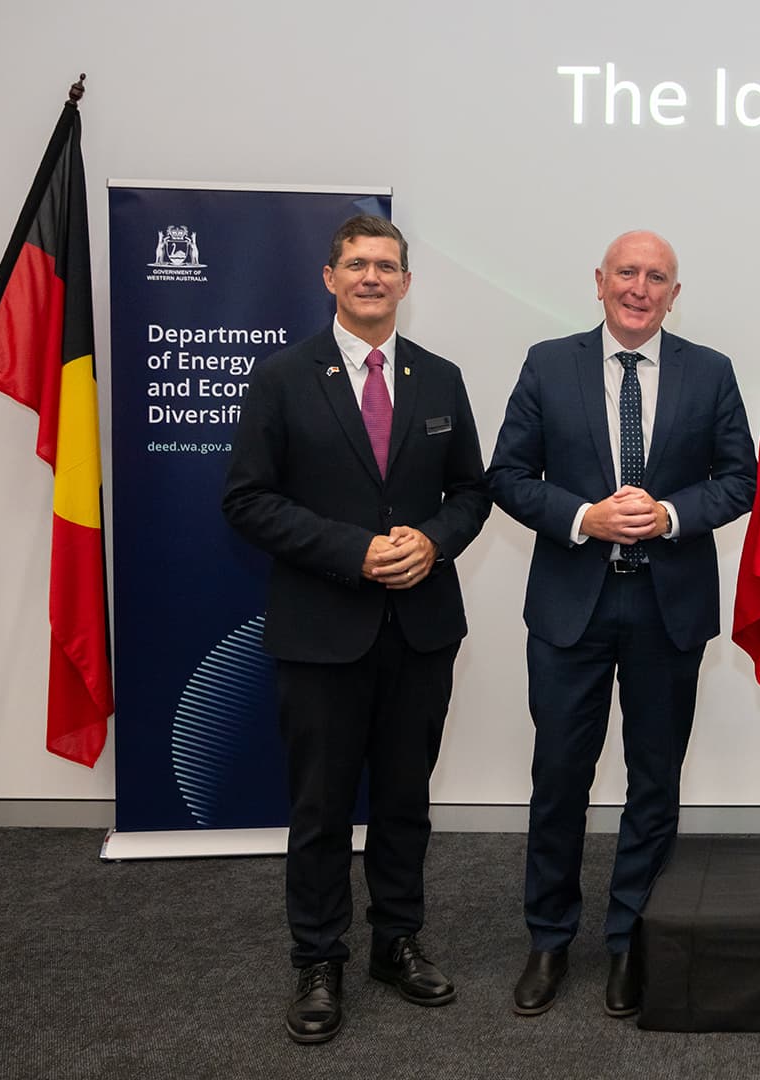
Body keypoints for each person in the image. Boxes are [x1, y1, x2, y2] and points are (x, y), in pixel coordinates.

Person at [222, 213, 491, 1044]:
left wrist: (432, 540)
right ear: (330, 278)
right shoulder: (281, 377)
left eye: (387, 266)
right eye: (357, 265)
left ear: (407, 283)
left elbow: (472, 493)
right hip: (321, 629)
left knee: (406, 799)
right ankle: (318, 959)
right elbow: (249, 500)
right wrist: (358, 552)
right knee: (322, 805)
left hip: (420, 629)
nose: (372, 278)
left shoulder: (440, 378)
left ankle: (396, 941)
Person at [486, 230, 755, 1019]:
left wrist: (670, 513)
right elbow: (506, 475)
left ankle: (631, 936)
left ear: (677, 294)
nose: (641, 288)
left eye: (658, 277)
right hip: (573, 606)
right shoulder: (548, 362)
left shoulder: (710, 372)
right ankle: (548, 936)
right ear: (599, 283)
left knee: (654, 781)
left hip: (667, 607)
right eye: (628, 273)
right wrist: (583, 517)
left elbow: (740, 479)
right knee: (559, 778)